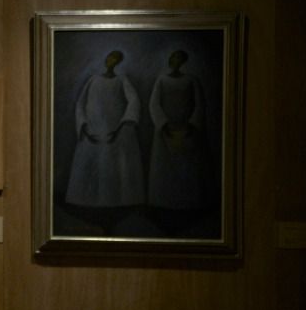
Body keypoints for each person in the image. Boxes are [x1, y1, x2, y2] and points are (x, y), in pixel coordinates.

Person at [64, 50, 145, 207]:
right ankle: (86, 201)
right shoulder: (93, 79)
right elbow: (80, 103)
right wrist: (83, 125)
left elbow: (134, 101)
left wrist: (123, 125)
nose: (111, 60)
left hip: (114, 130)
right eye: (110, 56)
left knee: (114, 166)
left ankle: (114, 203)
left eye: (115, 58)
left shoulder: (122, 80)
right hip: (92, 131)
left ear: (118, 62)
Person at [147, 50, 208, 210]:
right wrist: (163, 124)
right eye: (174, 57)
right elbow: (154, 104)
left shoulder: (191, 80)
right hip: (165, 130)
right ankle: (163, 203)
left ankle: (187, 203)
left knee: (185, 167)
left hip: (186, 130)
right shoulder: (161, 80)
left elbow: (199, 104)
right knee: (165, 166)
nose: (176, 61)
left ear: (183, 62)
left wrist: (192, 125)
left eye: (179, 58)